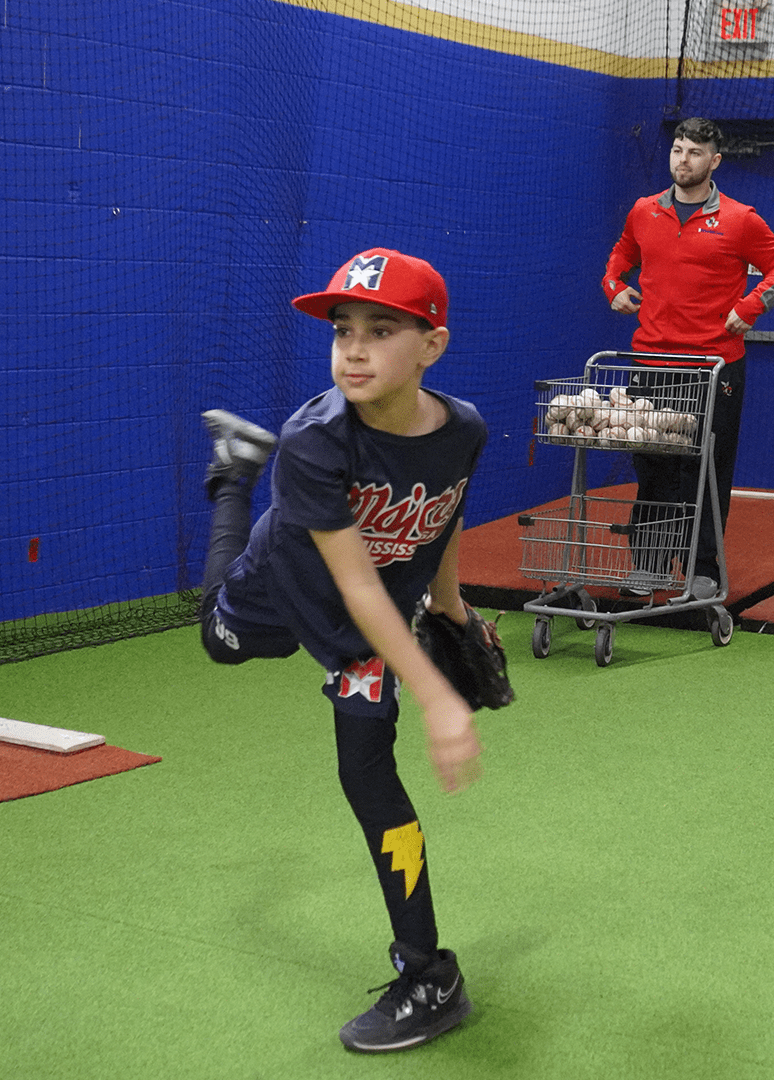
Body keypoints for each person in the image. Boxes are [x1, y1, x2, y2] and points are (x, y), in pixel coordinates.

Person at [198, 248, 484, 1050]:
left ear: (433, 344)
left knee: (367, 777)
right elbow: (354, 586)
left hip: (366, 629)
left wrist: (451, 606)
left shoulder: (464, 427)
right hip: (286, 587)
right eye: (342, 330)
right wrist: (436, 695)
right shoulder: (316, 440)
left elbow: (448, 509)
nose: (353, 349)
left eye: (381, 329)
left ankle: (428, 970)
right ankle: (234, 477)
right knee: (219, 637)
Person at [603, 116, 774, 598]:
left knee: (705, 468)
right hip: (651, 365)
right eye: (677, 149)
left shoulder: (740, 218)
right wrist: (613, 287)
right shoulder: (644, 210)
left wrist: (750, 307)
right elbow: (618, 259)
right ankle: (648, 565)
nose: (682, 160)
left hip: (714, 367)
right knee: (652, 468)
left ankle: (701, 570)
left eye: (694, 153)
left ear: (714, 161)